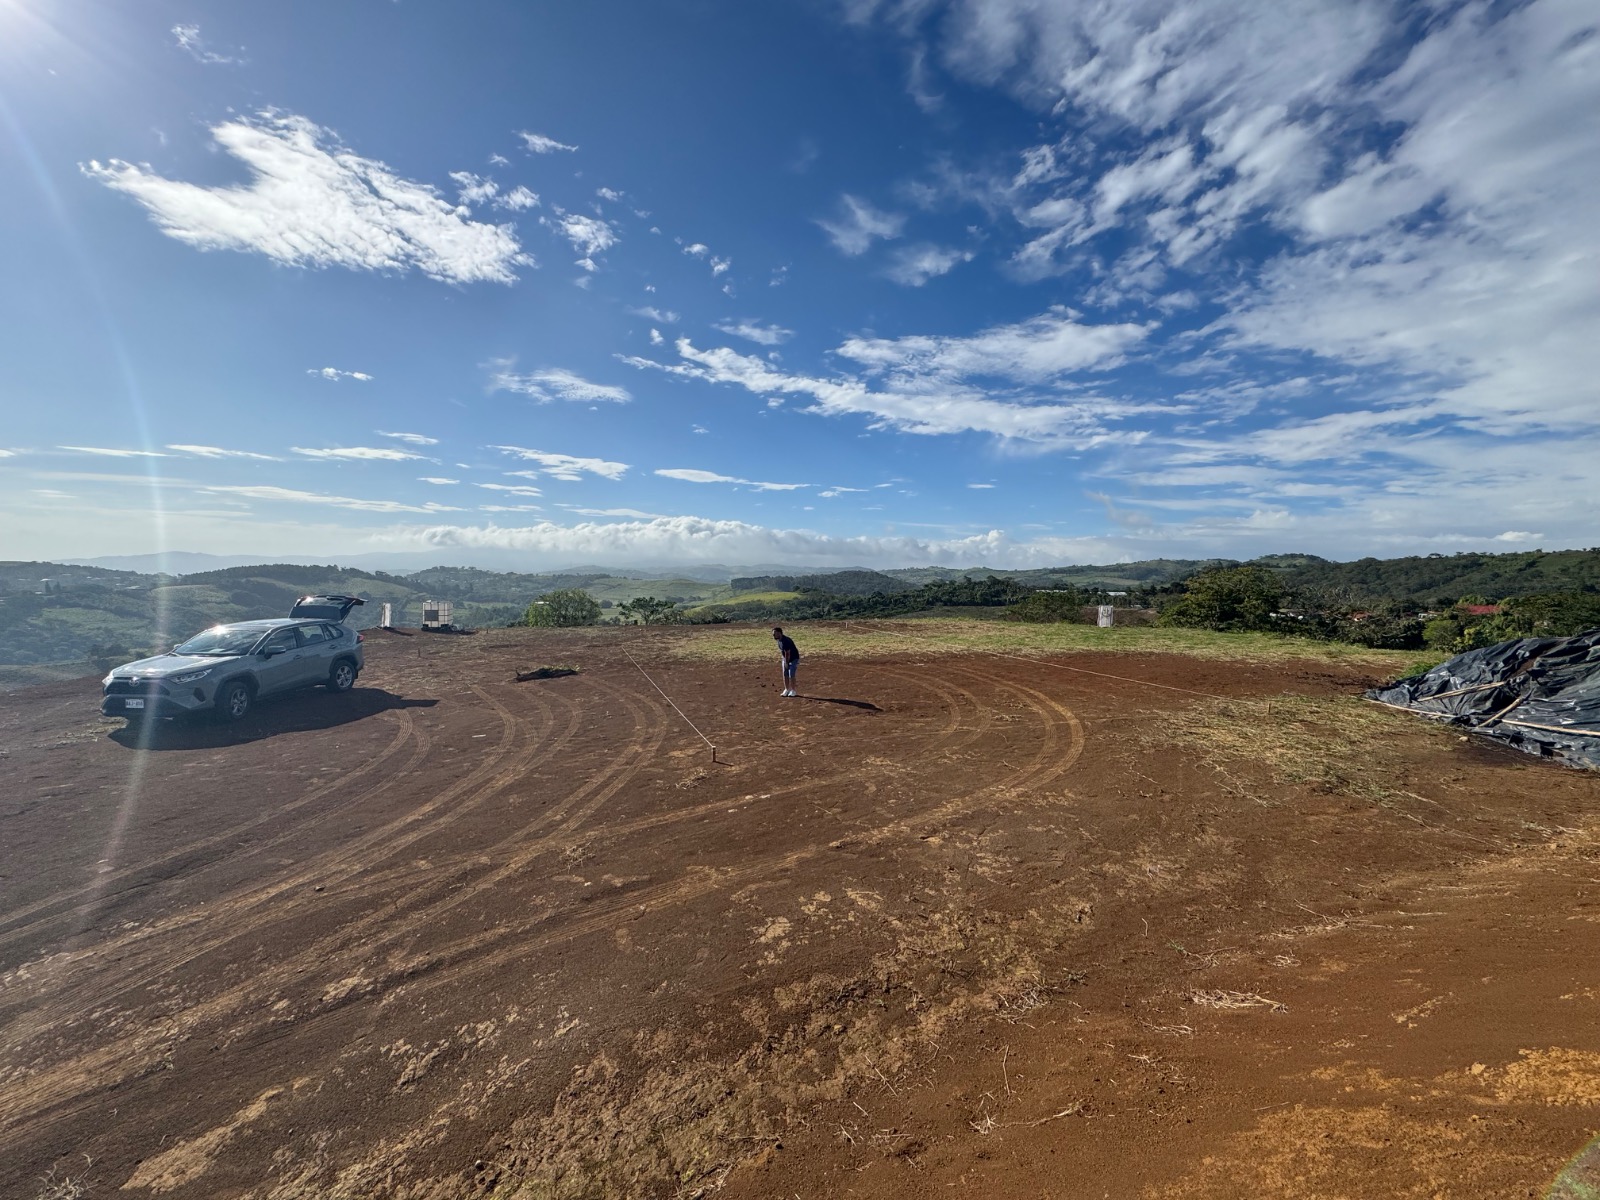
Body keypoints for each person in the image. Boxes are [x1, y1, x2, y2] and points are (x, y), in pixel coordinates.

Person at [772, 626, 800, 697]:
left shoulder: (786, 641)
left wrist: (786, 663)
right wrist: (784, 661)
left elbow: (787, 653)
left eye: (774, 634)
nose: (773, 635)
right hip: (785, 658)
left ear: (779, 633)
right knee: (785, 674)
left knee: (791, 674)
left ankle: (793, 690)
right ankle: (786, 689)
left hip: (793, 659)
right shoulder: (779, 641)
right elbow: (783, 652)